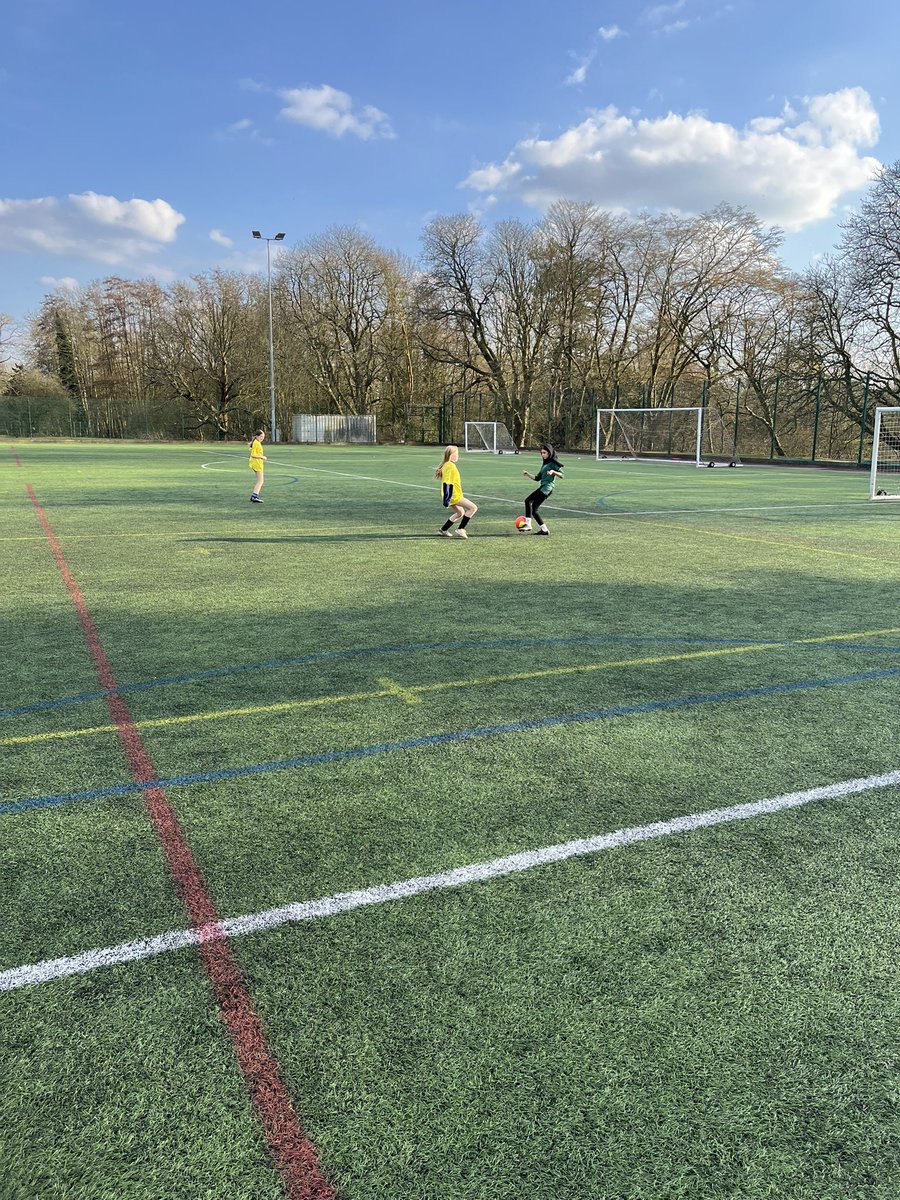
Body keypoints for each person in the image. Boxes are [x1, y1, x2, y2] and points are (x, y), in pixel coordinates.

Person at [435, 444, 478, 538]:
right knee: (473, 508)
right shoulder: (450, 466)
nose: (457, 456)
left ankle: (443, 530)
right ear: (451, 455)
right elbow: (447, 483)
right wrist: (447, 499)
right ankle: (461, 529)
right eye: (456, 454)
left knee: (460, 513)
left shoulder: (446, 465)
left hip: (452, 495)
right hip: (454, 496)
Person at [520, 443, 563, 535]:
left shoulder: (552, 463)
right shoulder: (545, 465)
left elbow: (561, 475)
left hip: (547, 488)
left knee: (528, 501)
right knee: (534, 510)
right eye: (541, 453)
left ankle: (528, 524)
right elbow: (537, 478)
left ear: (549, 453)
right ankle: (545, 530)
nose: (542, 455)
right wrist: (527, 474)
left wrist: (553, 472)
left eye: (544, 453)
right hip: (543, 488)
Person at [248, 428, 267, 502]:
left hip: (257, 463)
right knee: (260, 481)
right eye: (261, 436)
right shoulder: (256, 443)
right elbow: (253, 455)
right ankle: (254, 496)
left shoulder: (257, 442)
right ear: (257, 436)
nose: (262, 438)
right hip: (256, 463)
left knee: (260, 480)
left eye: (263, 437)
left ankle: (254, 496)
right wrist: (262, 457)